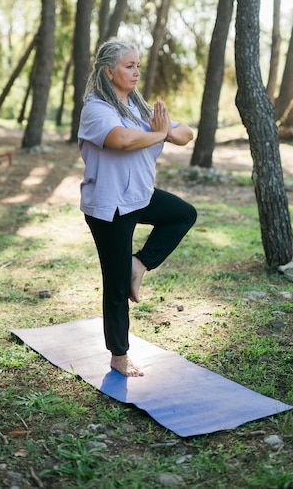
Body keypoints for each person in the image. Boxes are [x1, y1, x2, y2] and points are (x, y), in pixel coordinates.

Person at [78, 39, 197, 377]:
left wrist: (166, 132)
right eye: (129, 66)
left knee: (183, 214)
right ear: (108, 71)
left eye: (137, 65)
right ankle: (119, 355)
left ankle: (139, 263)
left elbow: (186, 133)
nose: (136, 71)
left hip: (139, 197)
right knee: (115, 284)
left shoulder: (141, 109)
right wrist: (160, 135)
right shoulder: (97, 109)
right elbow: (122, 140)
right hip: (109, 205)